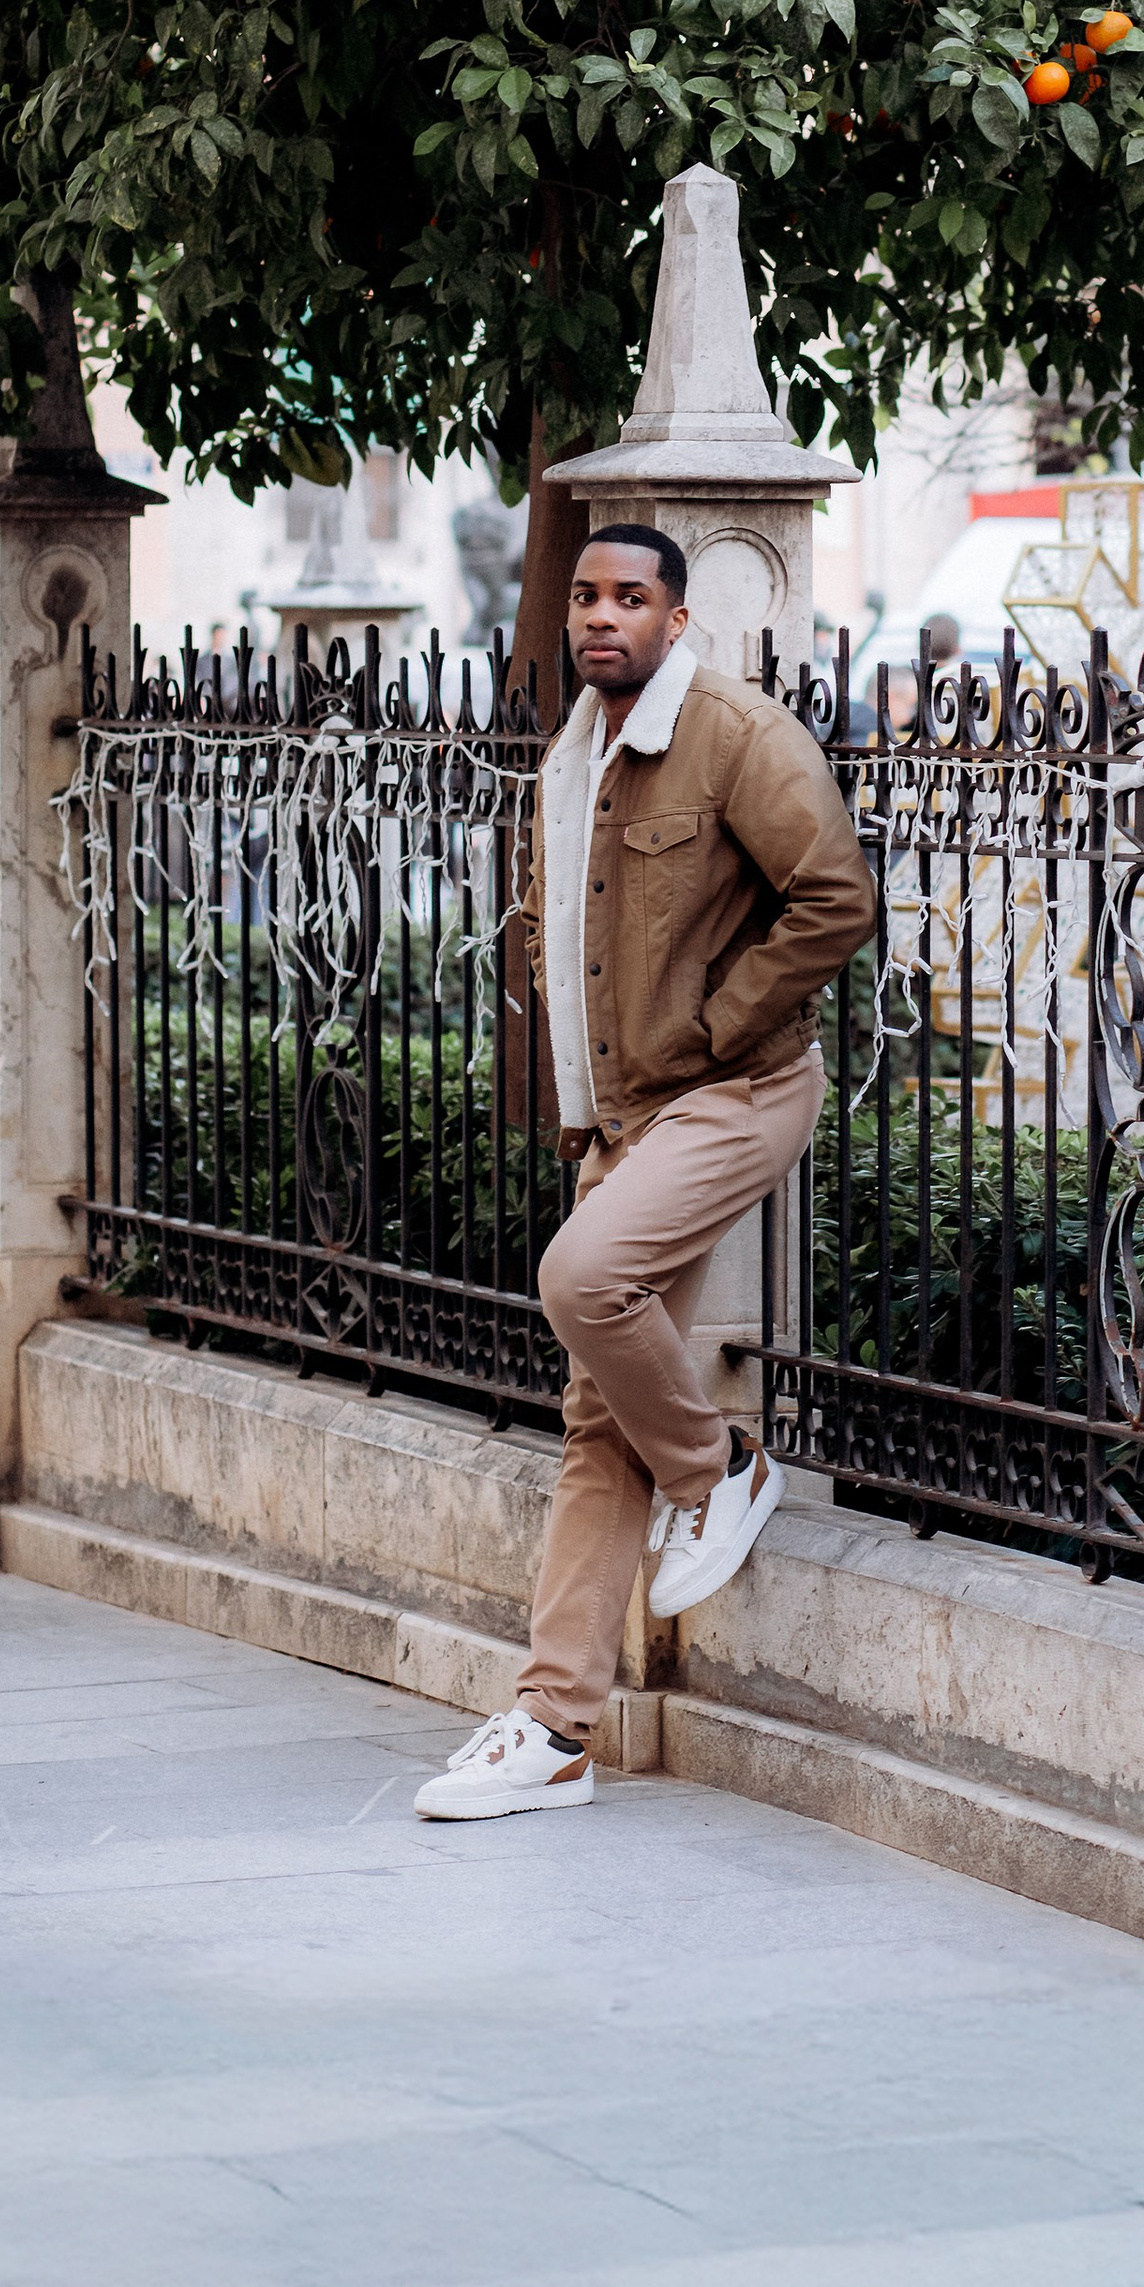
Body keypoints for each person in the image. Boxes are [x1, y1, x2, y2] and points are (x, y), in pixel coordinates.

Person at [416, 524, 877, 1823]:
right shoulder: (577, 752)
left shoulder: (734, 733)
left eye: (631, 598)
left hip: (738, 1091)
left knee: (581, 1281)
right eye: (586, 596)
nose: (600, 616)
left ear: (677, 619)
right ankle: (555, 1728)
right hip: (627, 1119)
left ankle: (720, 1471)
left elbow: (835, 895)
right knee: (594, 1419)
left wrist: (720, 1023)